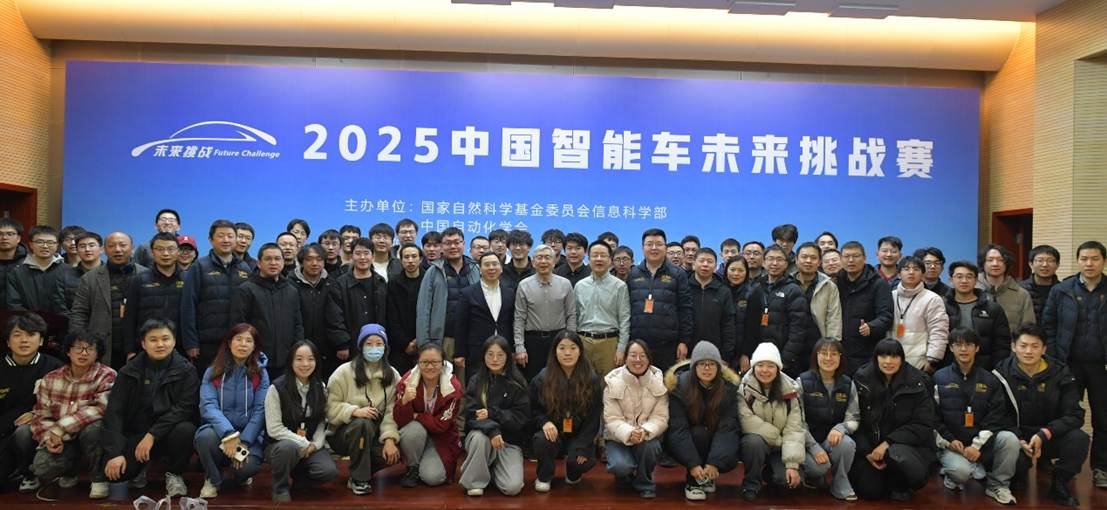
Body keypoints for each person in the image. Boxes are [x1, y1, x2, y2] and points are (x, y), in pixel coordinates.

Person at [101, 319, 199, 498]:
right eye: (153, 340)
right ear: (143, 344)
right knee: (117, 474)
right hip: (137, 434)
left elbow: (184, 408)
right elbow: (114, 413)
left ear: (174, 341)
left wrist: (152, 435)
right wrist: (114, 453)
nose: (160, 344)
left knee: (186, 429)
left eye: (165, 339)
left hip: (169, 432)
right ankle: (140, 467)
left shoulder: (187, 371)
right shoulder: (128, 371)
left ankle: (175, 474)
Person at [994, 324, 1088, 507]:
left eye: (1035, 346)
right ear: (1014, 347)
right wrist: (1019, 438)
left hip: (1049, 435)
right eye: (1023, 346)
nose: (1028, 351)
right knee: (1017, 468)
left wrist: (1045, 433)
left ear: (1044, 349)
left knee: (1079, 438)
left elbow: (1075, 414)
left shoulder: (1061, 373)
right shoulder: (1001, 373)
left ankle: (1059, 482)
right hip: (1018, 438)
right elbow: (997, 414)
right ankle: (1019, 474)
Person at [1041, 240, 1107, 489]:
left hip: (1101, 367)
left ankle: (1101, 467)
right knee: (1065, 415)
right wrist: (1055, 359)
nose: (1089, 263)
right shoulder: (1062, 290)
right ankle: (1060, 464)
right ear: (1078, 260)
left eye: (1095, 258)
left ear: (1104, 261)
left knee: (1103, 419)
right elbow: (1049, 325)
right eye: (1084, 258)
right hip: (1068, 365)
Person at [933, 327, 1019, 505]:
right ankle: (956, 471)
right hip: (953, 445)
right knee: (960, 473)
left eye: (969, 344)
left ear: (977, 348)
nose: (963, 349)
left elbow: (996, 417)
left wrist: (976, 445)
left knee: (1010, 439)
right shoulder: (938, 378)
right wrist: (950, 441)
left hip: (981, 444)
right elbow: (933, 417)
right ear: (951, 348)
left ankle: (998, 485)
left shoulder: (991, 380)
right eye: (958, 345)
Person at [30, 330, 115, 498]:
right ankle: (70, 471)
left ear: (97, 353)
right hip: (63, 439)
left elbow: (101, 408)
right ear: (68, 351)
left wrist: (59, 429)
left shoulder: (107, 375)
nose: (83, 353)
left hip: (89, 435)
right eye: (78, 348)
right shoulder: (50, 378)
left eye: (90, 349)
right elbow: (41, 415)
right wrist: (49, 438)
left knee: (95, 428)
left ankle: (99, 479)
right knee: (42, 468)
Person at [850, 339, 938, 501]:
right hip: (870, 448)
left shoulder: (918, 381)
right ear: (876, 358)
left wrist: (887, 443)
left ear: (902, 359)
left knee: (902, 461)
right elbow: (855, 419)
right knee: (870, 491)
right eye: (883, 356)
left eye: (894, 356)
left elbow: (923, 424)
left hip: (904, 447)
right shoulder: (862, 378)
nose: (888, 361)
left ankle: (900, 483)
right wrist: (867, 451)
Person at [194, 323, 269, 498]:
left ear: (254, 346)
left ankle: (239, 477)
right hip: (219, 432)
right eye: (238, 339)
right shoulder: (213, 371)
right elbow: (208, 406)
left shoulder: (260, 374)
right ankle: (212, 480)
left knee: (247, 468)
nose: (243, 344)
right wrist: (229, 434)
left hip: (248, 435)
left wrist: (245, 441)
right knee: (204, 438)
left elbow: (260, 410)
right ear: (229, 343)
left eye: (248, 341)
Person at [326, 323, 401, 495]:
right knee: (362, 424)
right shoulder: (343, 372)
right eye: (369, 344)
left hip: (375, 434)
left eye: (379, 344)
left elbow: (392, 411)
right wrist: (353, 411)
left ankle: (360, 470)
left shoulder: (393, 375)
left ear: (385, 347)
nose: (374, 348)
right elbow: (329, 407)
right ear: (361, 346)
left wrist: (389, 439)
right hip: (344, 434)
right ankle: (360, 479)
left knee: (400, 448)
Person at [663, 342, 739, 501]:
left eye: (712, 364)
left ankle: (708, 475)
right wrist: (693, 464)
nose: (707, 368)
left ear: (718, 367)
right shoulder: (679, 387)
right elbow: (678, 429)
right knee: (699, 433)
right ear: (694, 367)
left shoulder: (729, 389)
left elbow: (728, 428)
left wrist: (715, 462)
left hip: (716, 441)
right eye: (702, 364)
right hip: (687, 442)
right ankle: (694, 481)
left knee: (729, 439)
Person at [264, 340, 337, 502]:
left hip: (310, 445)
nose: (305, 364)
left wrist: (315, 445)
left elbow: (321, 422)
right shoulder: (276, 388)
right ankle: (280, 488)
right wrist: (303, 443)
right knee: (287, 448)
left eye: (310, 359)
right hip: (280, 446)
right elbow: (274, 429)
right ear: (291, 361)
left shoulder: (320, 387)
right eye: (299, 359)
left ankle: (301, 480)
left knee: (328, 471)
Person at [459, 335, 530, 497]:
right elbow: (471, 415)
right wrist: (492, 431)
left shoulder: (518, 382)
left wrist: (493, 413)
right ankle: (475, 481)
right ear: (483, 356)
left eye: (500, 355)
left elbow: (521, 417)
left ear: (508, 357)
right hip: (482, 437)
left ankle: (488, 467)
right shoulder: (476, 380)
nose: (495, 359)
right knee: (479, 439)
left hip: (509, 442)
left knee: (512, 488)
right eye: (490, 354)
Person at [529, 331, 601, 492]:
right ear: (555, 351)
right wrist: (544, 422)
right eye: (562, 348)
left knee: (580, 460)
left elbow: (594, 417)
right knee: (542, 440)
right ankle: (544, 476)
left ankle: (573, 473)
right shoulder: (542, 378)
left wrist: (583, 445)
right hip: (554, 433)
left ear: (580, 351)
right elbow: (534, 409)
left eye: (572, 348)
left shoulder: (591, 379)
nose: (567, 353)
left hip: (579, 434)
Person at [0, 314, 63, 492]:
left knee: (24, 432)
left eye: (31, 335)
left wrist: (36, 413)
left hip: (37, 432)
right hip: (3, 431)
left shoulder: (55, 367)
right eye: (17, 335)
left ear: (41, 340)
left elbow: (62, 405)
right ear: (8, 342)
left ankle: (29, 473)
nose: (24, 340)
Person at [737, 342, 806, 501]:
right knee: (752, 442)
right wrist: (779, 439)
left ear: (778, 368)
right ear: (754, 367)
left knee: (788, 482)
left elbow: (794, 428)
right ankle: (751, 483)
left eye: (770, 366)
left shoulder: (791, 390)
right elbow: (747, 421)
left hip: (781, 448)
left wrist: (792, 464)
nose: (765, 370)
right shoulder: (744, 389)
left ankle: (770, 474)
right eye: (760, 365)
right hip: (759, 445)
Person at [180, 219, 251, 372]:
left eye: (230, 236)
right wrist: (191, 342)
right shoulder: (199, 267)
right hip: (206, 343)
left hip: (237, 341)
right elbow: (188, 305)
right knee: (208, 382)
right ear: (211, 240)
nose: (226, 240)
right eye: (221, 236)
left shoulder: (244, 268)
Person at [69, 232, 147, 369]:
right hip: (102, 345)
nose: (117, 249)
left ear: (132, 248)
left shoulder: (146, 275)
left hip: (139, 344)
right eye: (111, 246)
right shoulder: (90, 278)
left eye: (122, 245)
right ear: (104, 250)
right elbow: (79, 314)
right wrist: (80, 344)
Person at [602, 339, 667, 499]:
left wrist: (644, 431)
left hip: (646, 437)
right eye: (633, 355)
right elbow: (611, 418)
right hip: (617, 439)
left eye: (643, 356)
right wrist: (630, 432)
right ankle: (624, 475)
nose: (638, 360)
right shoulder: (612, 381)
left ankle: (644, 483)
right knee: (620, 466)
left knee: (651, 447)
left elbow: (661, 417)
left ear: (649, 359)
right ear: (625, 358)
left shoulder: (659, 382)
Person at [394, 343, 464, 488]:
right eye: (425, 362)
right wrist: (404, 401)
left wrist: (416, 416)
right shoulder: (407, 381)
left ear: (443, 363)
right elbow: (400, 421)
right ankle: (413, 467)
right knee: (412, 430)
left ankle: (425, 461)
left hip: (442, 437)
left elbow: (441, 425)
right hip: (416, 434)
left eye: (435, 362)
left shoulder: (453, 387)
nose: (430, 367)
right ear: (418, 363)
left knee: (434, 478)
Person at [797, 338, 858, 501]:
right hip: (807, 442)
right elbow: (797, 422)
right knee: (819, 467)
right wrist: (814, 447)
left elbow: (854, 417)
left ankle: (840, 483)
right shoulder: (802, 382)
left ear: (841, 357)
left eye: (834, 354)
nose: (829, 358)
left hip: (831, 440)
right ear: (816, 356)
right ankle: (813, 476)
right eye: (824, 353)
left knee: (847, 444)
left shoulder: (848, 384)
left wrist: (841, 428)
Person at [231, 243, 304, 380]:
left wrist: (297, 353)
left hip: (286, 360)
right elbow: (238, 326)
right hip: (255, 360)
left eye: (277, 259)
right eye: (268, 259)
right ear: (259, 263)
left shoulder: (292, 290)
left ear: (283, 262)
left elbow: (298, 324)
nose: (273, 263)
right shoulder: (246, 289)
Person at [627, 229, 693, 371]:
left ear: (665, 247)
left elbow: (685, 309)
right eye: (649, 244)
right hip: (638, 343)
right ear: (642, 247)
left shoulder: (678, 274)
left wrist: (684, 341)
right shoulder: (633, 274)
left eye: (658, 244)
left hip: (668, 345)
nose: (654, 248)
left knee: (666, 382)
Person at [514, 244, 576, 380]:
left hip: (559, 339)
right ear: (533, 262)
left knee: (560, 379)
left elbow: (571, 315)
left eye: (547, 257)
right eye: (539, 257)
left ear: (554, 262)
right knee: (533, 380)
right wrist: (519, 347)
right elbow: (519, 318)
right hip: (533, 341)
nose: (543, 261)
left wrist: (571, 342)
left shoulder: (565, 284)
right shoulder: (524, 285)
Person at [415, 228, 479, 359]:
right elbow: (423, 310)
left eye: (457, 242)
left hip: (471, 338)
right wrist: (424, 343)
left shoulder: (475, 269)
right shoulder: (433, 272)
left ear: (464, 244)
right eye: (448, 243)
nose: (453, 246)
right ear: (442, 247)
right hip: (443, 339)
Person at [122, 232, 185, 360]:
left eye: (170, 249)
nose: (166, 254)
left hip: (180, 346)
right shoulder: (139, 280)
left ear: (178, 252)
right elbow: (129, 317)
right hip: (146, 347)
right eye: (160, 249)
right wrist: (130, 350)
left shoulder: (188, 278)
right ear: (152, 252)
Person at [454, 252, 515, 382]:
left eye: (495, 264)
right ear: (480, 269)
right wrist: (459, 353)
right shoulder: (467, 293)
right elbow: (460, 325)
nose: (491, 268)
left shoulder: (509, 292)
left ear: (501, 268)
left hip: (503, 349)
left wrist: (514, 349)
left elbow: (512, 322)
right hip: (476, 350)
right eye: (487, 265)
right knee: (477, 385)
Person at [836, 241, 893, 375]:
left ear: (865, 258)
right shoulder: (836, 282)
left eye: (856, 256)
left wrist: (871, 327)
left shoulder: (879, 284)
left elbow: (886, 316)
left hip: (867, 351)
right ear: (841, 259)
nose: (851, 260)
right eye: (847, 256)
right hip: (840, 351)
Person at [575, 240, 630, 379]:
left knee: (608, 384)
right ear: (588, 259)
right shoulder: (580, 286)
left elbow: (624, 319)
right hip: (583, 341)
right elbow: (574, 316)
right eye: (595, 255)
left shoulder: (619, 286)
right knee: (583, 383)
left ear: (610, 260)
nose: (599, 259)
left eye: (603, 255)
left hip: (609, 343)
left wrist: (621, 349)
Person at [326, 238, 386, 362]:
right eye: (358, 253)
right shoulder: (340, 284)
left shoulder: (380, 282)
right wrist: (342, 344)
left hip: (377, 344)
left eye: (366, 253)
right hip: (351, 345)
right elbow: (335, 317)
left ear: (373, 256)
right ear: (352, 256)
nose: (362, 257)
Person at [944, 261, 1011, 370]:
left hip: (985, 368)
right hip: (949, 368)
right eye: (959, 277)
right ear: (951, 280)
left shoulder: (993, 308)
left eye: (969, 277)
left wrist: (997, 369)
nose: (964, 281)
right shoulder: (942, 307)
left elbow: (1002, 343)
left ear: (975, 280)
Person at [889, 255, 949, 373]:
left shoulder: (932, 299)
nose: (911, 272)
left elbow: (938, 331)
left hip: (921, 364)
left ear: (922, 274)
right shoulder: (890, 296)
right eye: (906, 269)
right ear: (899, 274)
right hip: (890, 361)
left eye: (916, 269)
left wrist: (932, 360)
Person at [760, 244, 809, 375]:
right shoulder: (756, 287)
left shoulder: (793, 289)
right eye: (770, 259)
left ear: (786, 264)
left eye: (779, 259)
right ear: (763, 262)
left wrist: (786, 358)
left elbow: (798, 329)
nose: (774, 263)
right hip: (758, 354)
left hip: (783, 357)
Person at [290, 243, 336, 377]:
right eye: (309, 259)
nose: (314, 263)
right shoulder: (289, 285)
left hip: (327, 348)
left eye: (319, 259)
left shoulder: (332, 284)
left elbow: (336, 316)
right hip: (297, 346)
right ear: (301, 262)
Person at [687, 248, 736, 362]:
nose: (705, 264)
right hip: (686, 350)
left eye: (709, 261)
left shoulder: (724, 291)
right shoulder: (684, 287)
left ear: (715, 267)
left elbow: (728, 324)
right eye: (701, 260)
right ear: (694, 264)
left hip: (715, 351)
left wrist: (726, 354)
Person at [978, 244, 1035, 332]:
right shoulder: (972, 290)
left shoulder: (1022, 295)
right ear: (983, 263)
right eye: (990, 260)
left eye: (1000, 260)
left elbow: (1028, 329)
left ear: (1007, 263)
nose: (995, 264)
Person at [6, 225, 65, 312]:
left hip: (61, 320)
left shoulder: (67, 270)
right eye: (39, 242)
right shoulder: (17, 272)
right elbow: (14, 304)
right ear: (31, 245)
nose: (45, 246)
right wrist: (31, 319)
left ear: (57, 245)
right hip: (27, 320)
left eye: (50, 242)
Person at [386, 244, 424, 375]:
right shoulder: (393, 283)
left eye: (414, 256)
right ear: (401, 260)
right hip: (400, 346)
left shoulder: (429, 281)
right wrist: (405, 343)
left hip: (425, 342)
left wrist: (419, 339)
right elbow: (391, 317)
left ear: (420, 259)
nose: (410, 261)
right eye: (406, 257)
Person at [794, 242, 842, 343]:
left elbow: (833, 319)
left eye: (813, 258)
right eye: (804, 257)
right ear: (796, 259)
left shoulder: (829, 286)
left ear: (819, 262)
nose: (808, 261)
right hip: (790, 341)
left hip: (818, 342)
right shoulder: (787, 282)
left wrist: (832, 344)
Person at [724, 255, 765, 372]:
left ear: (746, 272)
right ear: (726, 270)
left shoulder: (753, 292)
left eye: (741, 270)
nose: (736, 274)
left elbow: (753, 328)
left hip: (742, 351)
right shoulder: (720, 290)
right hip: (722, 350)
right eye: (732, 270)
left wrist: (746, 354)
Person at [52, 231, 101, 313]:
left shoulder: (111, 273)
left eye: (91, 245)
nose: (87, 249)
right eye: (82, 246)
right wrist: (75, 320)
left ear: (101, 249)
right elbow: (59, 306)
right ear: (77, 250)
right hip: (73, 320)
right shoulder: (64, 276)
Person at [1021, 244, 1061, 322]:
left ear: (1057, 265)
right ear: (1031, 264)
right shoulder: (1021, 289)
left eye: (1050, 261)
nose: (1045, 265)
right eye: (1040, 260)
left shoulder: (1063, 290)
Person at [0, 218, 28, 310]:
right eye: (0, 234)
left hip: (21, 313)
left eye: (10, 234)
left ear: (18, 238)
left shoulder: (29, 262)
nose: (4, 238)